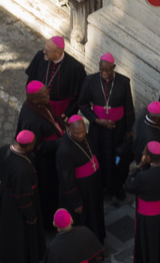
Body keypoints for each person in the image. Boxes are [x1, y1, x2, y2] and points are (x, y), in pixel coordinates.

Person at [76, 52, 135, 198]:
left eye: (108, 70)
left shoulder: (124, 82)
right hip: (98, 129)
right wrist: (96, 120)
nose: (104, 73)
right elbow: (82, 104)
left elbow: (128, 107)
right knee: (99, 156)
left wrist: (129, 129)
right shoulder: (91, 80)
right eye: (102, 70)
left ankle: (117, 186)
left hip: (118, 129)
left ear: (113, 67)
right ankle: (101, 186)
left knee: (118, 158)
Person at [0, 130, 45, 263]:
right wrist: (31, 216)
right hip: (18, 208)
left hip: (6, 197)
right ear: (27, 147)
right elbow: (24, 199)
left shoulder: (4, 150)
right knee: (19, 239)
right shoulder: (20, 169)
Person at [16, 79, 66, 228]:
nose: (48, 97)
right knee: (49, 192)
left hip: (53, 155)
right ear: (34, 99)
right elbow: (36, 147)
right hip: (45, 164)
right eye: (45, 96)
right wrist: (57, 143)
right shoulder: (30, 118)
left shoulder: (40, 105)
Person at [56, 115, 105, 244]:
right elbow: (66, 179)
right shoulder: (64, 150)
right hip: (81, 192)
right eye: (78, 133)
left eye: (84, 131)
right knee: (86, 220)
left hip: (91, 188)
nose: (82, 135)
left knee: (95, 216)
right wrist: (76, 202)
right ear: (70, 130)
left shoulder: (83, 137)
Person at [25, 35, 86, 120]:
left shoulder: (75, 68)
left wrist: (69, 113)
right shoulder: (40, 57)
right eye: (44, 48)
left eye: (47, 51)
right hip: (37, 106)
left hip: (59, 112)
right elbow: (30, 81)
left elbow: (80, 96)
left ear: (57, 53)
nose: (43, 52)